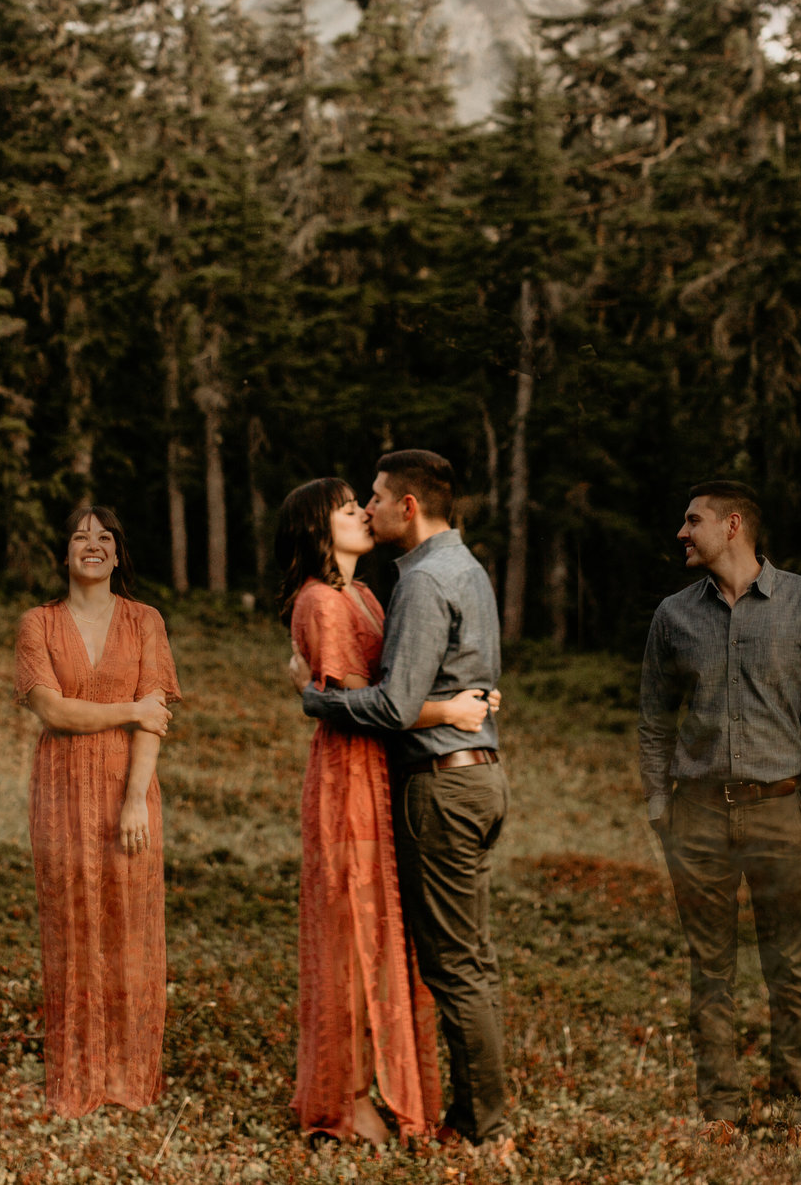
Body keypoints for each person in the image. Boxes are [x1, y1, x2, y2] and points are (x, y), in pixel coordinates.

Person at [284, 450, 513, 1167]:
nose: (367, 509)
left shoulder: (410, 585)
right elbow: (424, 689)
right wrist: (455, 704)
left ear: (407, 506)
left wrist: (317, 697)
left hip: (437, 782)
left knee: (451, 964)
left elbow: (388, 701)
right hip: (438, 777)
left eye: (373, 498)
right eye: (353, 503)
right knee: (444, 954)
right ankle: (447, 1112)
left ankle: (485, 1127)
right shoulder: (459, 569)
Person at [638, 480, 801, 1149]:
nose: (681, 530)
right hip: (696, 819)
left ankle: (798, 1113)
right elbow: (652, 720)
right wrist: (658, 805)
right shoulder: (673, 615)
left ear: (733, 526)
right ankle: (721, 1112)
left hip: (781, 814)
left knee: (789, 967)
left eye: (691, 519)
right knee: (711, 970)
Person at [16, 504, 181, 1117]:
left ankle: (129, 1077)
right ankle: (77, 1077)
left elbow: (155, 717)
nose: (92, 544)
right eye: (80, 536)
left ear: (117, 553)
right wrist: (128, 710)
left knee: (129, 927)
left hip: (128, 787)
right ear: (64, 553)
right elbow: (54, 711)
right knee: (72, 925)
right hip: (60, 789)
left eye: (104, 536)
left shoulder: (145, 622)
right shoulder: (38, 624)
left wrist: (136, 797)